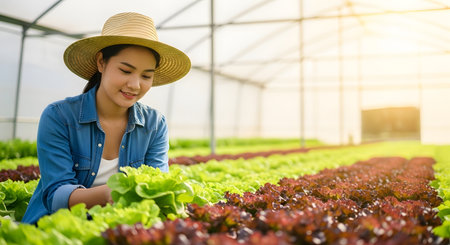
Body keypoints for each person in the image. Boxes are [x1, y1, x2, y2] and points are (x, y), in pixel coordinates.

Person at [21, 12, 191, 224]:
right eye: (125, 70)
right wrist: (110, 192)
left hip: (119, 230)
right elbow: (56, 196)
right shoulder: (59, 117)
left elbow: (157, 184)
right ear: (101, 62)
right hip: (55, 230)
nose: (135, 85)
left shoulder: (155, 125)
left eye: (146, 76)